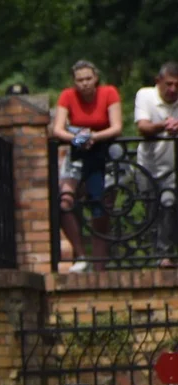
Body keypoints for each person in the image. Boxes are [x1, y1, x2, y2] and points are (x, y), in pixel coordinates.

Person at [51, 60, 123, 272]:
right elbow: (58, 129)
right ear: (74, 81)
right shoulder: (67, 96)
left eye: (88, 79)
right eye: (80, 80)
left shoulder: (109, 92)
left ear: (96, 78)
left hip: (104, 153)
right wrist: (76, 138)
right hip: (79, 152)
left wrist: (94, 136)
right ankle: (81, 255)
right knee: (64, 201)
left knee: (101, 208)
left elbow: (116, 126)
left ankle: (99, 267)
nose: (84, 84)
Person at [134, 62, 178, 266]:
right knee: (151, 213)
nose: (173, 90)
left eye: (177, 85)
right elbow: (143, 127)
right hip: (148, 167)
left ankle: (165, 255)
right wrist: (164, 126)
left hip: (171, 169)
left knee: (168, 204)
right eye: (169, 84)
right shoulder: (145, 95)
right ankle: (156, 258)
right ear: (158, 82)